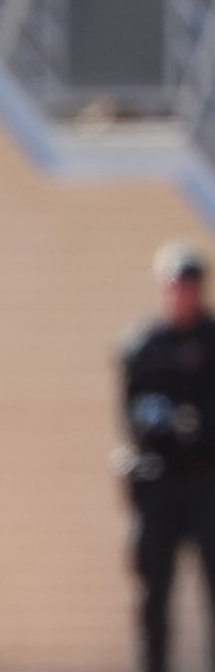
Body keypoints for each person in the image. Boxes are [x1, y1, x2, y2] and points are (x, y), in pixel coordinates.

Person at [122, 243, 215, 672]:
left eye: (190, 287)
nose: (184, 295)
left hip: (207, 482)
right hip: (161, 485)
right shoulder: (145, 346)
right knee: (154, 591)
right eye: (176, 287)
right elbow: (133, 415)